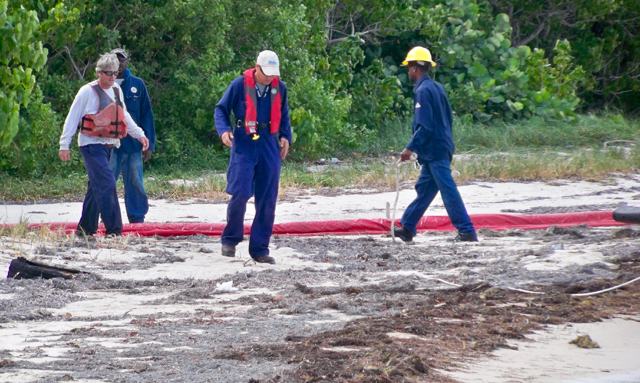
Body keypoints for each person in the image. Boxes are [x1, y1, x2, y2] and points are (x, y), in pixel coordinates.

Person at [392, 46, 478, 243]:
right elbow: (446, 120)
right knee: (425, 189)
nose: (407, 71)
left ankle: (467, 231)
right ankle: (407, 228)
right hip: (440, 147)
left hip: (435, 150)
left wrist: (409, 148)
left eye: (409, 67)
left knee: (448, 190)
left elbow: (425, 126)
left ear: (415, 68)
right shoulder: (437, 87)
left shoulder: (422, 91)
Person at [59, 53, 149, 237]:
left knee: (95, 187)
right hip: (91, 145)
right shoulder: (86, 92)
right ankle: (114, 230)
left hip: (110, 146)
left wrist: (140, 134)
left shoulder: (116, 90)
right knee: (108, 184)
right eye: (108, 73)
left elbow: (124, 116)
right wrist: (64, 144)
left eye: (115, 73)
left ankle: (85, 230)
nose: (112, 76)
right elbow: (72, 118)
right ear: (99, 72)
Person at [214, 50, 292, 264]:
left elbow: (284, 114)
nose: (269, 78)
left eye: (272, 74)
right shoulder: (239, 85)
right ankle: (230, 238)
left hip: (268, 142)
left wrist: (286, 136)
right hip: (244, 141)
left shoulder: (280, 88)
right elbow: (220, 109)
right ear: (256, 67)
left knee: (268, 198)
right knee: (239, 192)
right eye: (265, 72)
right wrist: (223, 131)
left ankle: (260, 249)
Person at [108, 48, 156, 224]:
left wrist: (149, 144)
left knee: (135, 182)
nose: (119, 63)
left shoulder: (138, 84)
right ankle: (108, 217)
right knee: (108, 183)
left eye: (122, 60)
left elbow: (146, 115)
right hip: (110, 145)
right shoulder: (105, 84)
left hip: (133, 145)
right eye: (115, 59)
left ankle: (137, 218)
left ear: (127, 62)